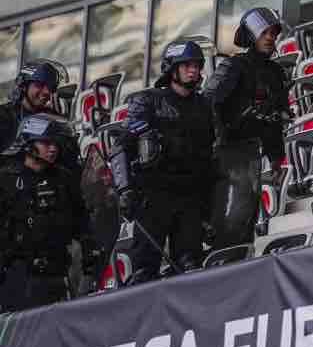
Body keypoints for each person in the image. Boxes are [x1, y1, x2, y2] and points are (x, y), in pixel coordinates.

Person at [108, 41, 217, 283]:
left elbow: (212, 154)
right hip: (153, 196)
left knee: (190, 267)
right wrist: (125, 190)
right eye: (187, 65)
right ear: (172, 69)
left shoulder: (203, 106)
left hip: (191, 197)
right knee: (144, 271)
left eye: (197, 66)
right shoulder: (147, 101)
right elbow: (121, 147)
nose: (193, 71)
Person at [205, 8, 291, 249]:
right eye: (264, 32)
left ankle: (238, 255)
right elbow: (210, 103)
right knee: (232, 214)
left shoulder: (276, 73)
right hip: (227, 149)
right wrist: (216, 140)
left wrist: (276, 158)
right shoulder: (233, 66)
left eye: (273, 33)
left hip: (252, 151)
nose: (270, 37)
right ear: (251, 35)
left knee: (246, 213)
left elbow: (274, 119)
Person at [0, 114, 91, 310]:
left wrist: (90, 252)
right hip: (18, 277)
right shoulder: (6, 180)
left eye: (56, 144)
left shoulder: (64, 178)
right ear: (28, 142)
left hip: (58, 273)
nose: (53, 148)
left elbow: (81, 219)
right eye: (46, 142)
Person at [0, 61, 62, 153]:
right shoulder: (4, 115)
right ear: (24, 86)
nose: (47, 92)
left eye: (50, 87)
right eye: (39, 85)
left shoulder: (52, 119)